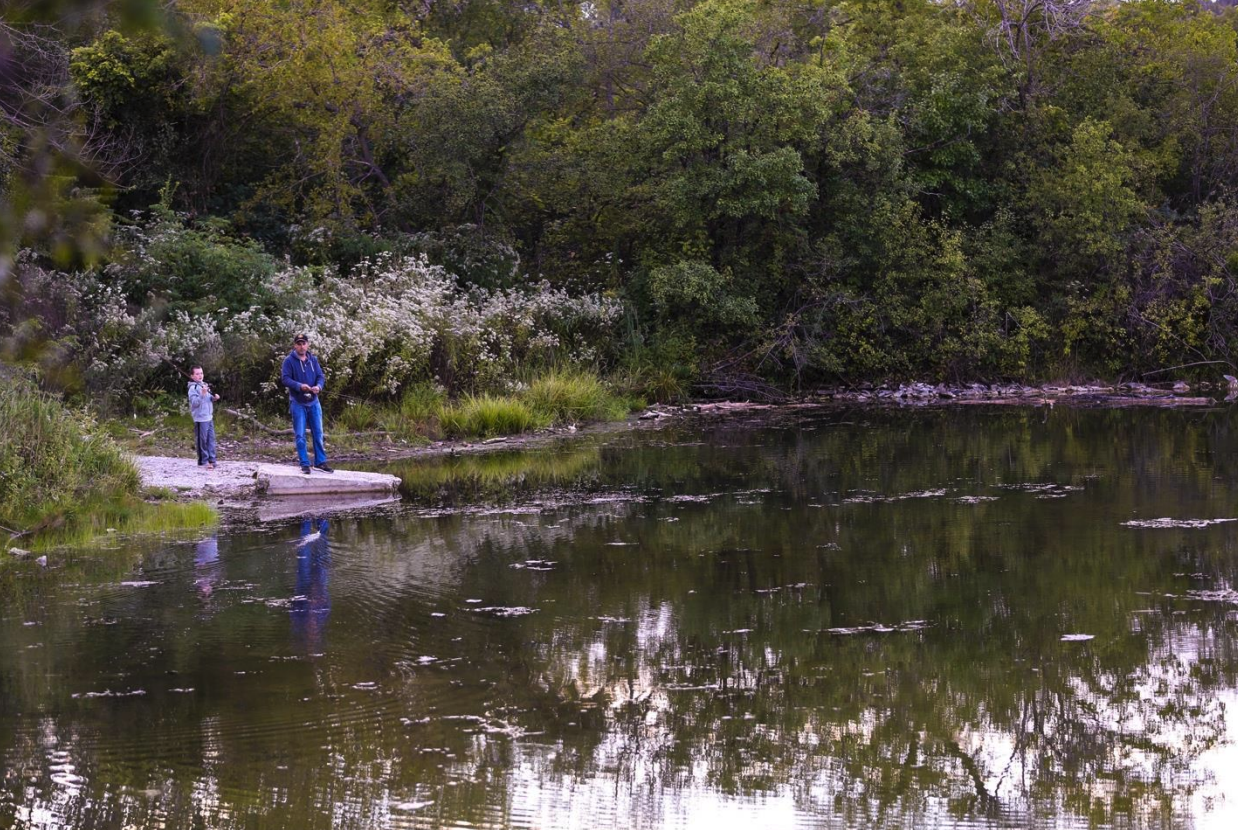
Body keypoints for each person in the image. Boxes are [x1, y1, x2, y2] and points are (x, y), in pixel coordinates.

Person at [280, 333, 334, 474]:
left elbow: (320, 376)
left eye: (304, 343)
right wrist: (299, 386)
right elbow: (285, 379)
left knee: (318, 433)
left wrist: (319, 386)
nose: (301, 346)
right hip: (298, 402)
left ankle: (320, 462)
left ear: (307, 345)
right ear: (295, 345)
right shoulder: (288, 361)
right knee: (300, 435)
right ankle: (304, 463)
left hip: (314, 402)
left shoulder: (313, 360)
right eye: (299, 343)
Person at [187, 365, 219, 469]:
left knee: (211, 440)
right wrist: (202, 394)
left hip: (209, 417)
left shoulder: (204, 385)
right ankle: (203, 461)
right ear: (192, 376)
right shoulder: (193, 388)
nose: (200, 375)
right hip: (200, 419)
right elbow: (195, 403)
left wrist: (214, 398)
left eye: (201, 373)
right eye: (197, 374)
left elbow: (208, 399)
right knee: (202, 441)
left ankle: (212, 460)